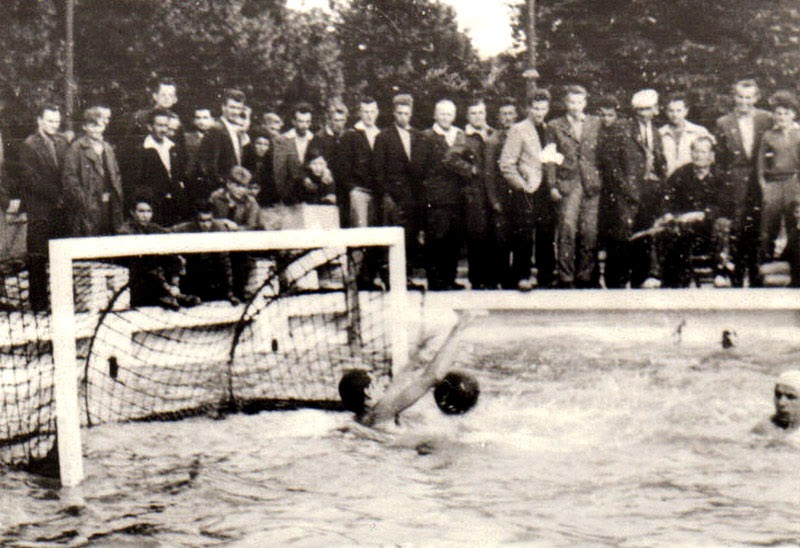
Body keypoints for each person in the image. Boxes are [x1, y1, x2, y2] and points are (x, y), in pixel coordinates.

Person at [339, 317, 479, 427]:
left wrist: (420, 353)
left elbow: (401, 378)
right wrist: (457, 331)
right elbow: (432, 377)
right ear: (369, 393)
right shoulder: (382, 412)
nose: (384, 383)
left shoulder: (362, 418)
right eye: (377, 382)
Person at [647, 136, 734, 287]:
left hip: (709, 226)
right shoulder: (681, 174)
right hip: (683, 225)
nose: (698, 155)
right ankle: (656, 275)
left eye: (703, 152)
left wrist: (703, 214)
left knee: (723, 224)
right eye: (695, 151)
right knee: (661, 227)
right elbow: (667, 198)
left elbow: (725, 205)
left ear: (711, 155)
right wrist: (667, 213)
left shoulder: (720, 175)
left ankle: (720, 272)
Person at [715, 78, 773, 287]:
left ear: (756, 98)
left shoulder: (767, 119)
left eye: (748, 97)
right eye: (740, 97)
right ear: (734, 97)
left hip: (761, 180)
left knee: (759, 228)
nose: (743, 102)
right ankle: (737, 276)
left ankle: (758, 276)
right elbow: (720, 160)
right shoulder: (723, 122)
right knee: (738, 228)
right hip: (736, 183)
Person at [547, 85, 602, 289]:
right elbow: (550, 157)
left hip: (591, 183)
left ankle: (585, 276)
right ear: (565, 103)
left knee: (590, 231)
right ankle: (566, 276)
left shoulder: (595, 123)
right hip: (568, 182)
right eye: (571, 102)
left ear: (585, 103)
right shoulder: (554, 126)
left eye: (579, 102)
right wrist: (552, 185)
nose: (575, 106)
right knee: (567, 229)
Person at [17, 103, 70, 310]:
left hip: (61, 208)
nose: (53, 125)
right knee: (38, 257)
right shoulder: (29, 145)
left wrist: (65, 195)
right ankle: (39, 304)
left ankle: (61, 302)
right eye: (49, 120)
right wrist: (55, 194)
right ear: (39, 120)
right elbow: (31, 179)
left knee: (60, 254)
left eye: (56, 121)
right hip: (40, 208)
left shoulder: (63, 142)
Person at [499, 89, 552, 291]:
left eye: (543, 108)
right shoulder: (518, 130)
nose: (539, 112)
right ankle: (522, 276)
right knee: (524, 234)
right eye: (536, 108)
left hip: (545, 189)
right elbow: (506, 165)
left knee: (546, 233)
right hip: (526, 191)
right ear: (528, 108)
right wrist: (522, 186)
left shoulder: (548, 128)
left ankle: (546, 277)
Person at [443, 98, 499, 289]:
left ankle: (492, 277)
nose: (478, 117)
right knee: (477, 234)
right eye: (473, 113)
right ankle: (477, 279)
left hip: (494, 191)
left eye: (481, 113)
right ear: (467, 116)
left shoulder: (493, 134)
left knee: (495, 233)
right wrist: (470, 169)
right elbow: (449, 159)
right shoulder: (463, 136)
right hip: (474, 193)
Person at [374, 93, 427, 283]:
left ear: (411, 114)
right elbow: (378, 171)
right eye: (399, 113)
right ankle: (390, 276)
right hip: (393, 196)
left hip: (413, 196)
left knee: (410, 236)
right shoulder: (383, 137)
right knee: (392, 236)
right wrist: (386, 195)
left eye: (406, 113)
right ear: (393, 114)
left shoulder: (418, 136)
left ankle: (406, 276)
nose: (403, 117)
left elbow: (421, 168)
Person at [118, 196, 200, 310]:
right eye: (141, 211)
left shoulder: (153, 227)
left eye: (149, 211)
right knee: (150, 265)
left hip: (154, 270)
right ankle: (173, 295)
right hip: (137, 272)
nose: (145, 215)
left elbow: (169, 234)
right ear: (133, 212)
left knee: (175, 258)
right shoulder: (126, 230)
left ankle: (173, 292)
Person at [421, 99, 466, 291]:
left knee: (453, 239)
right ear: (435, 115)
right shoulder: (426, 136)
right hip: (436, 197)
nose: (445, 117)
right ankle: (435, 279)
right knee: (436, 238)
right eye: (442, 114)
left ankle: (450, 277)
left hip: (456, 196)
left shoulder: (459, 135)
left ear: (454, 116)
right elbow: (421, 168)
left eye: (449, 114)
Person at [63, 106, 124, 237]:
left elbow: (116, 175)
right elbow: (70, 180)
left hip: (109, 205)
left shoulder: (107, 148)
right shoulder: (76, 148)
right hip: (88, 209)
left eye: (100, 125)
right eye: (92, 125)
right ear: (85, 127)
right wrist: (84, 203)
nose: (96, 129)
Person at [756, 90, 800, 267]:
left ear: (793, 114)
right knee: (768, 225)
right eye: (778, 113)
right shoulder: (768, 135)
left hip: (794, 182)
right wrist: (764, 185)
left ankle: (794, 264)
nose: (781, 117)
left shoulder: (799, 134)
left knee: (793, 222)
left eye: (786, 113)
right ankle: (765, 264)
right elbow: (761, 164)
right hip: (773, 183)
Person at [127, 108, 189, 226]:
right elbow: (136, 182)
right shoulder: (141, 150)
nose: (163, 129)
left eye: (166, 126)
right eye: (159, 125)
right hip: (154, 206)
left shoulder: (173, 147)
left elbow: (180, 175)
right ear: (150, 127)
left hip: (176, 204)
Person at [484, 97, 521, 289]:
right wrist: (493, 199)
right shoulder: (494, 140)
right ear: (498, 117)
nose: (507, 118)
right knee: (500, 238)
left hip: (518, 195)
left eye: (510, 114)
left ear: (516, 116)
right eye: (503, 114)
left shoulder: (521, 135)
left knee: (518, 237)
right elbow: (489, 172)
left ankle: (515, 278)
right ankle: (500, 277)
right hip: (500, 196)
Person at [171, 203, 240, 305]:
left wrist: (229, 292)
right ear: (195, 219)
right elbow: (166, 233)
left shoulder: (220, 229)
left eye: (208, 220)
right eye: (202, 221)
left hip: (212, 271)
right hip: (191, 271)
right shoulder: (184, 229)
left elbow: (225, 261)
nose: (205, 224)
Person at [196, 88, 249, 202]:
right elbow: (209, 164)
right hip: (221, 190)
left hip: (235, 189)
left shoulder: (236, 130)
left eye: (238, 108)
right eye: (232, 107)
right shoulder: (216, 129)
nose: (235, 112)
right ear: (223, 107)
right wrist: (221, 185)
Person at [314, 99, 349, 225]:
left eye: (342, 120)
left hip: (345, 186)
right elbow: (315, 160)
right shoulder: (319, 137)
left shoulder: (348, 136)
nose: (339, 124)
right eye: (335, 120)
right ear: (329, 120)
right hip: (327, 186)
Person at [659, 93, 712, 177]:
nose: (675, 115)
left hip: (691, 181)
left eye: (679, 110)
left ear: (686, 111)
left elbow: (710, 157)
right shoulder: (660, 134)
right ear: (666, 111)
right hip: (668, 181)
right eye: (671, 111)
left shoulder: (699, 132)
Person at [273, 102, 315, 204]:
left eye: (307, 122)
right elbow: (279, 173)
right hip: (289, 195)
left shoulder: (314, 140)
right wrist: (283, 196)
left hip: (311, 195)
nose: (304, 125)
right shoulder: (283, 140)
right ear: (293, 121)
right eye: (301, 121)